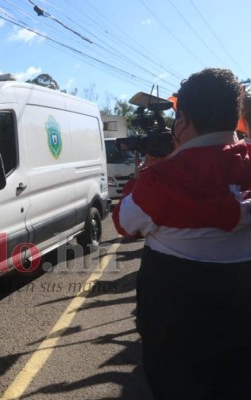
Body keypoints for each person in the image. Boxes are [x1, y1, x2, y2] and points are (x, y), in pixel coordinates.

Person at [113, 68, 251, 398]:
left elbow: (124, 223)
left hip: (175, 337)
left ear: (183, 119)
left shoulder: (161, 180)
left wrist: (149, 169)